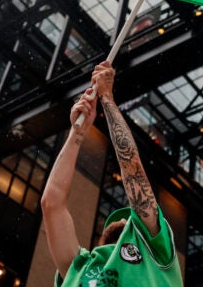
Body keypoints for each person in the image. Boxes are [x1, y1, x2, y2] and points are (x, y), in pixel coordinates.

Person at [41, 61, 183, 287]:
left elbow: (133, 171)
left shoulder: (155, 253)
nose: (125, 221)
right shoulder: (80, 267)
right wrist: (77, 133)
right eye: (127, 220)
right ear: (99, 241)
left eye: (131, 223)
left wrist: (107, 99)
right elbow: (51, 203)